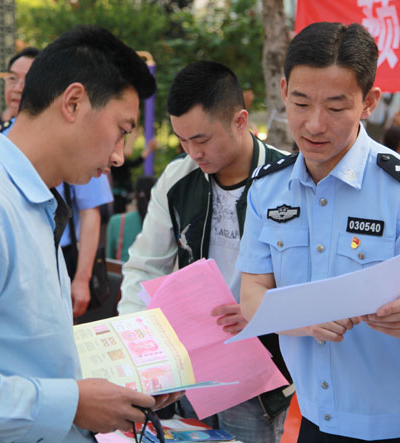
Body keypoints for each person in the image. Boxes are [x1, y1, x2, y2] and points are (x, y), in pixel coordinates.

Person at [0, 25, 180, 442]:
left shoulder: (35, 204)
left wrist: (119, 386)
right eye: (122, 129)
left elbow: (25, 355)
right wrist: (73, 404)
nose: (119, 156)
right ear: (73, 102)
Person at [238, 22, 400, 442]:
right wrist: (307, 317)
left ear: (368, 103)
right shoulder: (267, 190)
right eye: (301, 103)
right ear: (284, 91)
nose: (314, 124)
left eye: (336, 107)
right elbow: (251, 296)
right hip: (314, 419)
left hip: (397, 427)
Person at [118, 60, 294, 443]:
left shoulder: (288, 180)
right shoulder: (179, 178)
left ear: (240, 120)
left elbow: (312, 278)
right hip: (188, 366)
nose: (192, 152)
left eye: (201, 139)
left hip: (256, 375)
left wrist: (265, 313)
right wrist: (133, 344)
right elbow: (145, 265)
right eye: (182, 140)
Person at [0, 46, 113, 318]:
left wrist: (82, 278)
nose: (17, 88)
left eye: (26, 79)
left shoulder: (71, 139)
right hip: (8, 260)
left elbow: (90, 213)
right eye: (11, 78)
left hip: (58, 257)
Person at [106, 175, 157, 262]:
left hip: (123, 270)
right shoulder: (166, 223)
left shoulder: (116, 222)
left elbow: (110, 259)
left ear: (135, 196)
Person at [111, 130, 157, 213]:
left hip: (119, 193)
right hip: (121, 194)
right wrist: (149, 149)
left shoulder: (114, 159)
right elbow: (136, 162)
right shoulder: (118, 161)